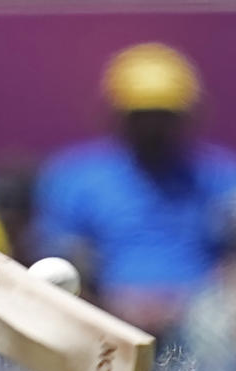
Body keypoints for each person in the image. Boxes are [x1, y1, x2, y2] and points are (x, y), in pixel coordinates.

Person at [33, 42, 236, 340]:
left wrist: (192, 306)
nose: (153, 129)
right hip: (102, 316)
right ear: (116, 115)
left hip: (203, 320)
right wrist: (107, 304)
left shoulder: (218, 174)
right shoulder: (74, 177)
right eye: (142, 116)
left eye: (164, 116)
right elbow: (59, 257)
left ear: (187, 117)